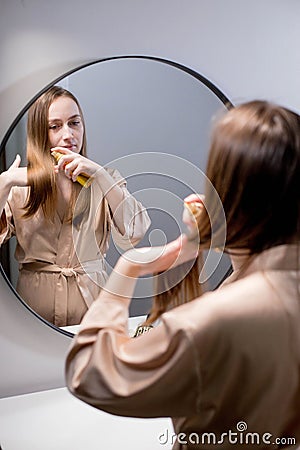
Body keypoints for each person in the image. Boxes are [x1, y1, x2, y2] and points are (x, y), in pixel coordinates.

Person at [65, 100, 300, 449]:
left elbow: (88, 372)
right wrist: (210, 243)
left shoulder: (209, 323)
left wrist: (131, 264)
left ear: (232, 197)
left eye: (213, 179)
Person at [0, 86, 151, 327]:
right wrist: (5, 183)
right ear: (40, 132)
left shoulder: (107, 179)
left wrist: (101, 176)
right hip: (33, 310)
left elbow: (136, 231)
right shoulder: (19, 186)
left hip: (94, 307)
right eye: (55, 126)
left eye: (74, 123)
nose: (68, 135)